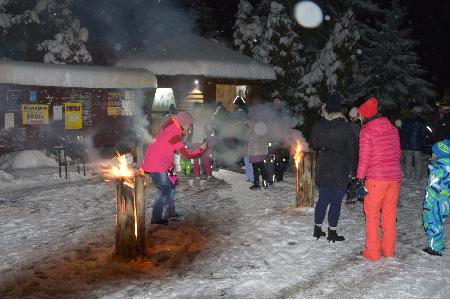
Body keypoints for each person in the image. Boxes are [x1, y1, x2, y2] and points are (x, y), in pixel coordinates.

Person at [356, 97, 402, 261]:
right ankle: (389, 250)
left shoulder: (367, 131)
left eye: (360, 115)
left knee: (372, 215)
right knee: (389, 214)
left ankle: (373, 252)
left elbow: (364, 158)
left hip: (376, 179)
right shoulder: (392, 128)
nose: (359, 118)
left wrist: (359, 178)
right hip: (394, 178)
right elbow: (398, 154)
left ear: (365, 115)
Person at [140, 111, 206, 225]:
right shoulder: (173, 134)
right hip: (156, 164)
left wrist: (172, 169)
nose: (190, 128)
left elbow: (169, 150)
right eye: (189, 125)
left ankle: (170, 212)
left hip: (163, 163)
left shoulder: (172, 130)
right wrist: (201, 149)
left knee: (171, 186)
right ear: (183, 123)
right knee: (163, 189)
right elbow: (186, 154)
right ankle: (156, 218)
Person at [310, 94, 357, 242]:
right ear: (340, 108)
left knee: (323, 199)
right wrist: (354, 170)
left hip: (323, 164)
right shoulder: (345, 126)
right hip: (339, 166)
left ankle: (317, 229)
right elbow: (353, 150)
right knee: (336, 201)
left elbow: (313, 144)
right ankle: (332, 232)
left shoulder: (319, 124)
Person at [422, 140, 450, 256]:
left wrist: (428, 205)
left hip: (436, 201)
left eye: (434, 153)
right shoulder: (447, 166)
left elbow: (433, 188)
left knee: (432, 223)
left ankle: (434, 248)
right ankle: (440, 244)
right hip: (445, 201)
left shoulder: (438, 169)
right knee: (439, 223)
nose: (432, 154)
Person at [400, 106, 428, 180]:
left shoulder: (406, 121)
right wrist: (424, 145)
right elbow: (424, 134)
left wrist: (402, 145)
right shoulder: (422, 121)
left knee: (408, 161)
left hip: (407, 145)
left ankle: (407, 176)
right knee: (418, 161)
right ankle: (417, 178)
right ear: (419, 112)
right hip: (417, 145)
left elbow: (402, 133)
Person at [247, 104, 271, 190]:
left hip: (254, 150)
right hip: (262, 149)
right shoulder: (263, 123)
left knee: (255, 167)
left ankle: (257, 184)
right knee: (261, 166)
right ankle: (265, 183)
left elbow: (249, 135)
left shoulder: (252, 123)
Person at [191, 102, 213, 178]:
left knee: (200, 160)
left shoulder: (193, 118)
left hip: (199, 142)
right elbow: (209, 130)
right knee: (202, 159)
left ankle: (199, 174)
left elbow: (209, 131)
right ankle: (206, 174)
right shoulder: (195, 118)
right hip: (199, 141)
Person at [345, 106, 362, 204]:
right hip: (357, 152)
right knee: (356, 175)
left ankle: (352, 196)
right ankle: (355, 195)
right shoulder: (359, 126)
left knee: (352, 175)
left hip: (352, 152)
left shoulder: (350, 126)